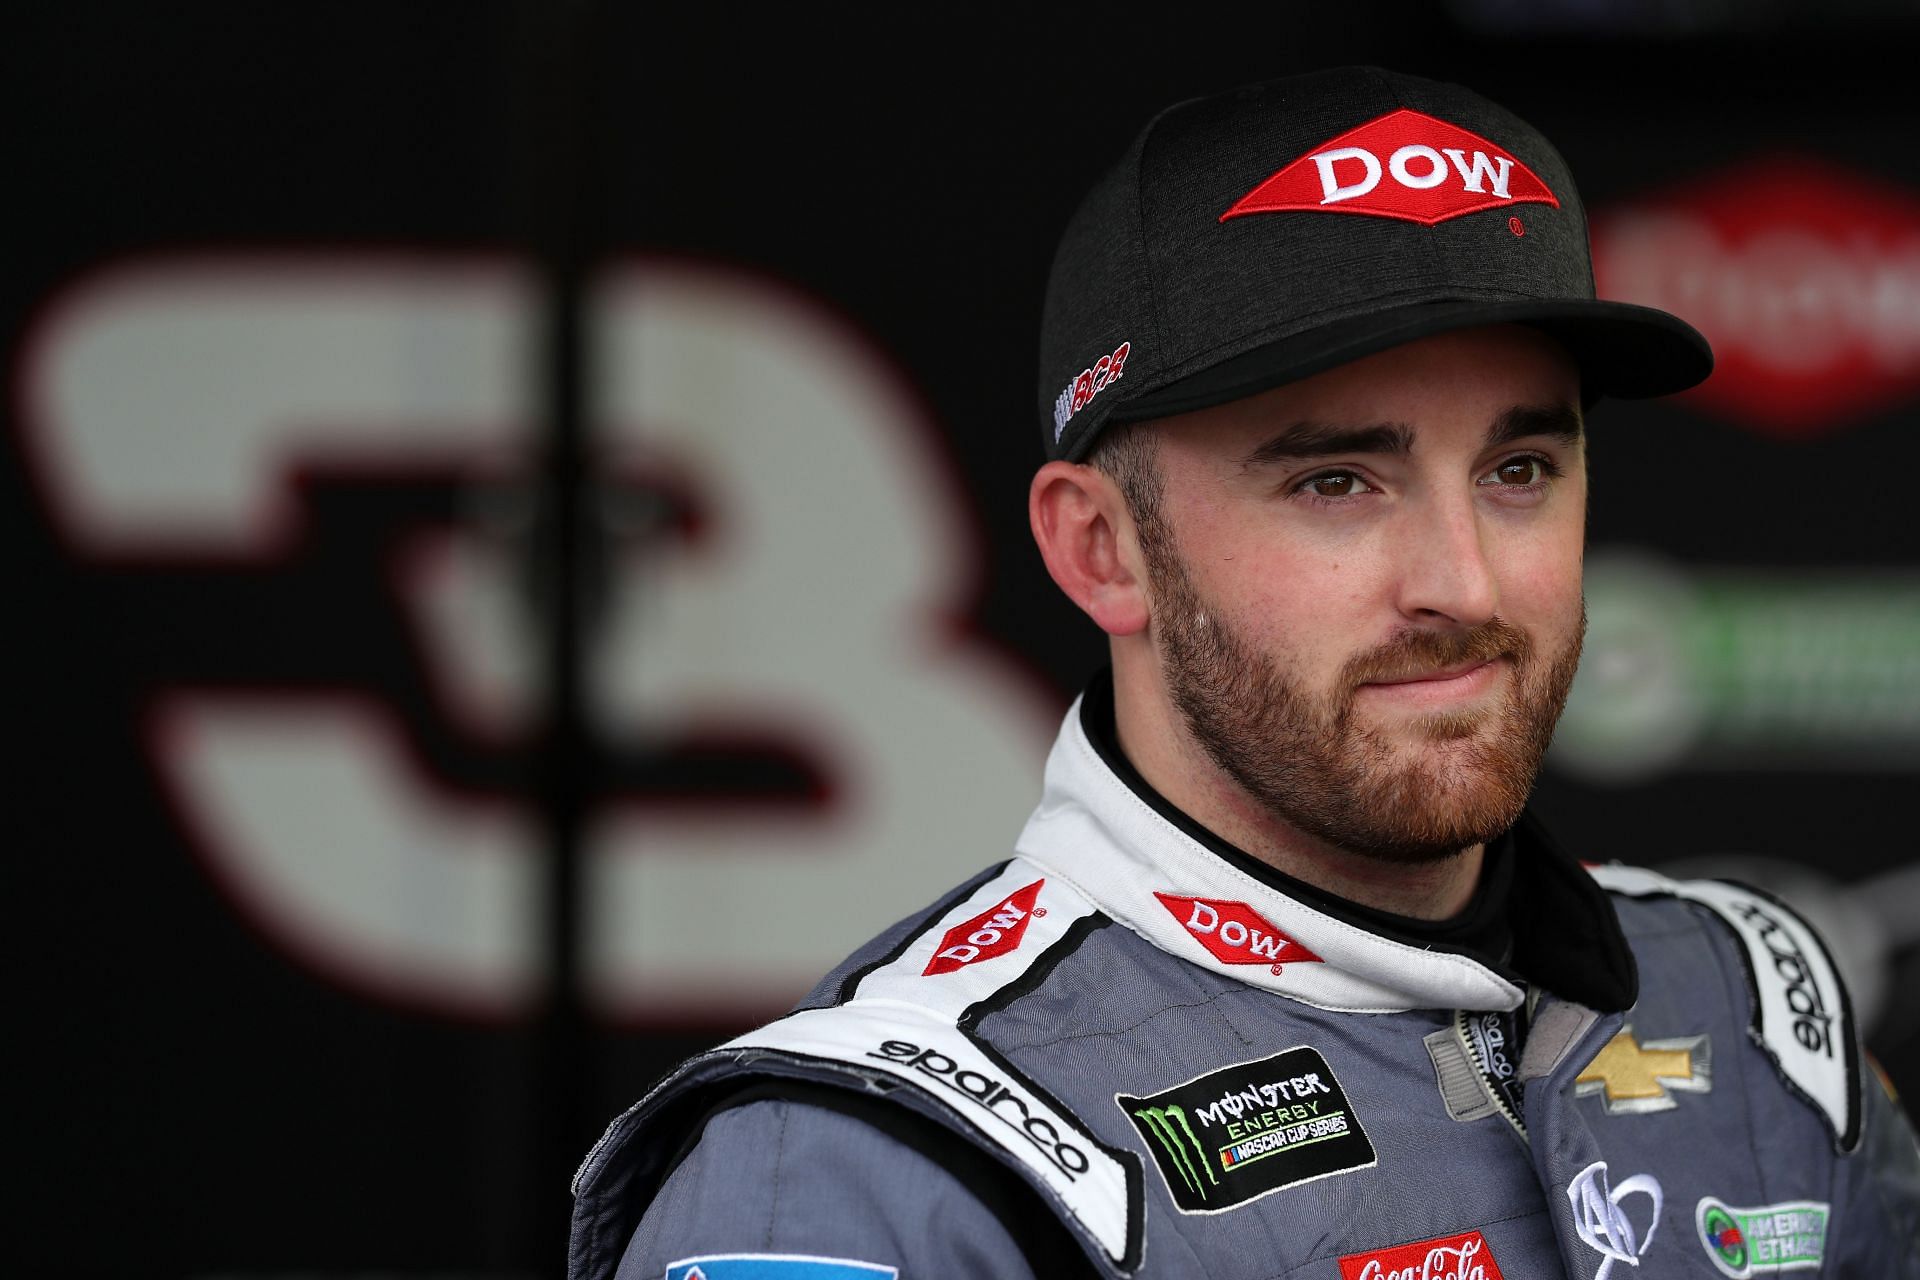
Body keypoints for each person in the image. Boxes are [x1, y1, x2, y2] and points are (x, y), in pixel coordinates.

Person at [569, 67, 1920, 1280]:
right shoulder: (867, 1171)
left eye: (1519, 471)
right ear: (1103, 550)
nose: (1462, 580)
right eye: (1338, 481)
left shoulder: (1752, 1006)